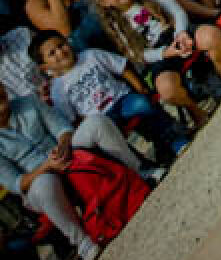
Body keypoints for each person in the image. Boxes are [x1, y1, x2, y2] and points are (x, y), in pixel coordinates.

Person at [0, 81, 147, 260]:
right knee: (44, 183)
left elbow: (63, 129)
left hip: (66, 153)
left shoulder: (29, 102)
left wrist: (62, 147)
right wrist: (47, 166)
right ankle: (83, 242)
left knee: (96, 122)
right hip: (37, 181)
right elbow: (16, 183)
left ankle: (139, 174)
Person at [88, 0, 221, 115]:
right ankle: (196, 112)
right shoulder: (115, 23)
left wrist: (181, 34)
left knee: (211, 36)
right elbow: (138, 54)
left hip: (177, 32)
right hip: (160, 54)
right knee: (167, 90)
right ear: (104, 2)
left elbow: (177, 12)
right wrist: (165, 52)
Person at [30, 31, 189, 167]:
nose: (60, 52)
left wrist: (140, 88)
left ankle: (173, 139)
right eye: (52, 53)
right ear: (45, 67)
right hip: (102, 118)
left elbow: (123, 67)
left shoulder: (90, 55)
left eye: (61, 45)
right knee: (107, 140)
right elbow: (72, 120)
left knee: (142, 104)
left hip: (122, 99)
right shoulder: (58, 89)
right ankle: (141, 165)